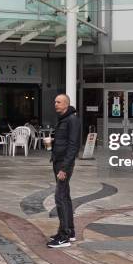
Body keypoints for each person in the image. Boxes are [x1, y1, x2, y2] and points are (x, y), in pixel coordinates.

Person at [47, 94, 81, 248]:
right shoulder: (64, 118)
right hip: (58, 161)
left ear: (66, 104)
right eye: (55, 101)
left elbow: (73, 146)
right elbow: (65, 141)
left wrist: (64, 168)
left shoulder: (72, 120)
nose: (55, 104)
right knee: (65, 197)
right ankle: (69, 231)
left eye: (58, 102)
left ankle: (64, 237)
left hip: (63, 165)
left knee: (60, 198)